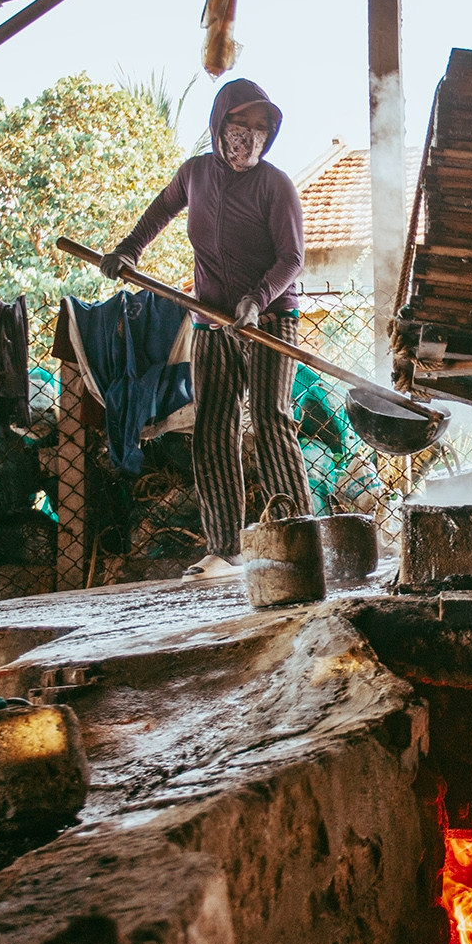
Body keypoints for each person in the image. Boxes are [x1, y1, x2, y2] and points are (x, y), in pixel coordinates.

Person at [102, 78, 314, 581]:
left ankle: (298, 538)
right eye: (242, 123)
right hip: (211, 321)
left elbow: (292, 258)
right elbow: (159, 212)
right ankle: (226, 548)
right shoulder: (194, 174)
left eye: (262, 127)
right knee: (214, 425)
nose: (251, 135)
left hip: (269, 321)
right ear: (220, 122)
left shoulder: (275, 185)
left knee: (270, 418)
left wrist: (257, 299)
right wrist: (129, 250)